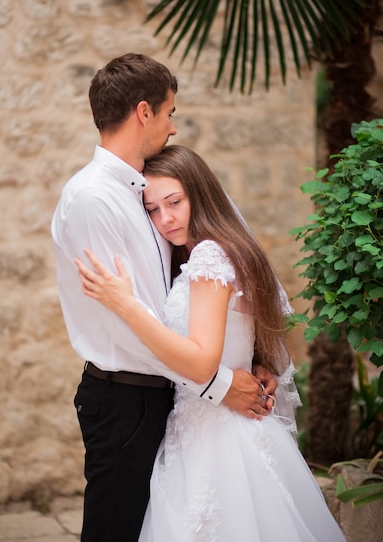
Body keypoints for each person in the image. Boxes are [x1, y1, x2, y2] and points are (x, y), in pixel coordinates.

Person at [51, 54, 279, 542]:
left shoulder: (143, 191)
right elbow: (126, 324)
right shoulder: (94, 198)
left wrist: (252, 358)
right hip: (125, 396)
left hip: (170, 398)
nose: (173, 127)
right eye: (170, 111)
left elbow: (203, 294)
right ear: (143, 112)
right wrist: (218, 384)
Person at [76, 144, 347, 542]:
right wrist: (257, 365)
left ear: (199, 194)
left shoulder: (208, 257)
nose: (165, 219)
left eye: (174, 202)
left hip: (216, 438)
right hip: (215, 425)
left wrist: (125, 304)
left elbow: (203, 363)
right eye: (152, 209)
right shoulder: (222, 250)